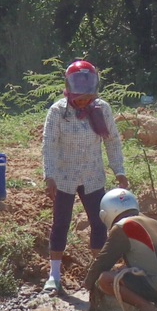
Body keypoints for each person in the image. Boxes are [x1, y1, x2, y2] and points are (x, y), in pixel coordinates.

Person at [41, 59, 127, 295]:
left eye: (88, 90)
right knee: (60, 222)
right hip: (64, 176)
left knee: (98, 223)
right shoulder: (58, 112)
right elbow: (49, 145)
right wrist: (49, 176)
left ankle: (98, 274)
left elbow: (112, 141)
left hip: (92, 175)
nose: (84, 99)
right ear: (68, 87)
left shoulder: (101, 109)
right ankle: (54, 276)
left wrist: (119, 171)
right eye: (79, 92)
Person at [84, 188, 157, 311]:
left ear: (106, 214)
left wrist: (88, 285)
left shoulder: (123, 226)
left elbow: (102, 264)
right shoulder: (153, 223)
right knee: (126, 269)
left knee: (105, 279)